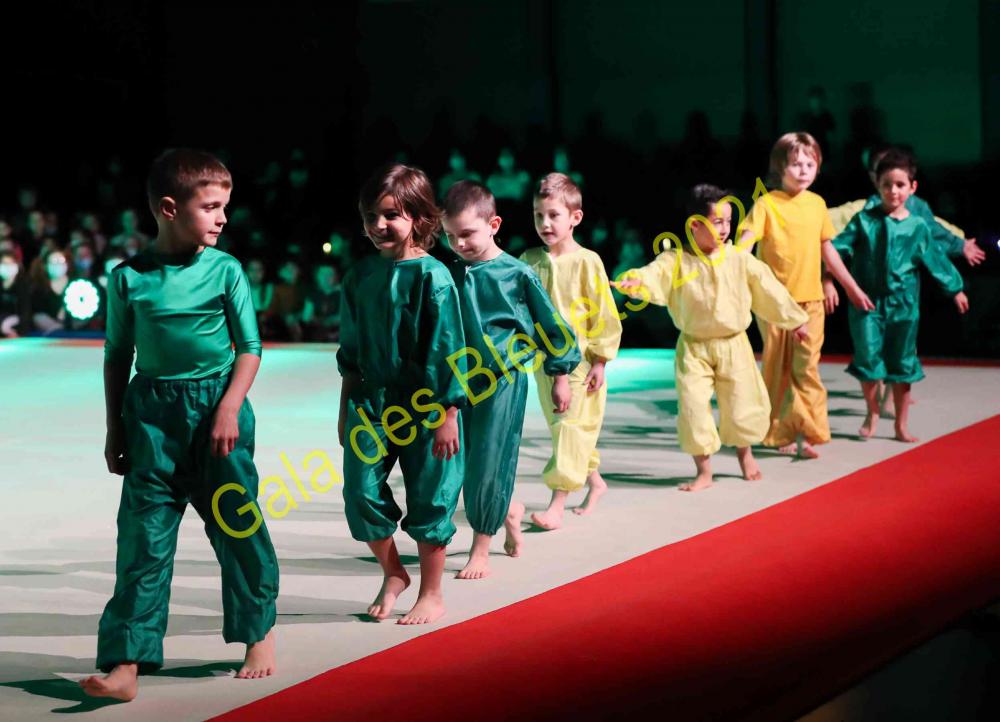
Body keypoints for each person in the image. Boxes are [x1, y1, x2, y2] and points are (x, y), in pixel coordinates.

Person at [80, 149, 279, 702]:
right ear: (169, 209)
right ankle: (125, 661)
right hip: (151, 418)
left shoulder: (225, 270)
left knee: (236, 523)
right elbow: (117, 355)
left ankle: (257, 633)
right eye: (211, 207)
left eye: (225, 207)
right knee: (142, 540)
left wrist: (229, 407)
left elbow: (250, 347)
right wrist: (115, 427)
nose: (222, 218)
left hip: (217, 411)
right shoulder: (128, 279)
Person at [338, 164, 467, 625]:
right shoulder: (359, 277)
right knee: (359, 492)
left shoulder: (434, 276)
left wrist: (448, 413)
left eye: (391, 215)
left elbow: (448, 349)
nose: (378, 225)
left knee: (431, 495)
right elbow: (351, 351)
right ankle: (394, 572)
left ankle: (432, 592)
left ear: (419, 217)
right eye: (370, 216)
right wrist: (345, 410)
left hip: (428, 405)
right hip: (370, 403)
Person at [615, 185, 809, 490]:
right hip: (694, 347)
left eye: (728, 221)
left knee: (742, 403)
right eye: (717, 221)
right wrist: (635, 280)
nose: (725, 228)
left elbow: (768, 289)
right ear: (695, 224)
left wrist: (795, 320)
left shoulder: (739, 259)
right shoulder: (676, 260)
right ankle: (704, 471)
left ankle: (745, 455)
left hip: (734, 344)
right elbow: (653, 275)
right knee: (693, 408)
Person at [442, 180, 579, 578]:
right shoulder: (449, 272)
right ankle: (509, 512)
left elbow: (552, 325)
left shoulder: (517, 274)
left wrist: (560, 374)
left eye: (467, 234)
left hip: (502, 381)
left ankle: (481, 547)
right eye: (450, 236)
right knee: (460, 465)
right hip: (456, 382)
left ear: (493, 225)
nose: (459, 244)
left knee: (490, 461)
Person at [821, 149, 969, 442]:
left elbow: (935, 259)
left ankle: (901, 424)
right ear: (877, 185)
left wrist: (955, 289)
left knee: (902, 363)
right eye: (887, 184)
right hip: (867, 303)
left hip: (904, 305)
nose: (893, 191)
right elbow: (835, 250)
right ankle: (872, 411)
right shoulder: (864, 220)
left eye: (900, 185)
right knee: (867, 358)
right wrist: (828, 280)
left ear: (912, 188)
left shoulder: (917, 226)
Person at [520, 173, 622, 529]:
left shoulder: (588, 261)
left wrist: (600, 361)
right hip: (543, 365)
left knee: (568, 428)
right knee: (564, 428)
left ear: (575, 217)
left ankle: (557, 505)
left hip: (579, 365)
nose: (545, 223)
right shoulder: (529, 260)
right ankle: (596, 482)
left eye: (553, 215)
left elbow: (604, 314)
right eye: (538, 215)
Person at [738, 132, 834, 459]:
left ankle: (808, 431)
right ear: (780, 167)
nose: (804, 170)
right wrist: (729, 270)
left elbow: (828, 250)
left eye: (810, 163)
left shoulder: (818, 204)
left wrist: (848, 286)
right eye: (796, 164)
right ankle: (780, 433)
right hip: (775, 305)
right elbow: (745, 244)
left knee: (806, 367)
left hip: (811, 301)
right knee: (777, 368)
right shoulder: (766, 204)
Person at [301, 263, 341, 342]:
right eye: (322, 274)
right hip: (318, 335)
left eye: (329, 274)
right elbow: (306, 317)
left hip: (339, 335)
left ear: (336, 277)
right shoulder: (312, 295)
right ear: (317, 277)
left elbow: (346, 318)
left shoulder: (343, 294)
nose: (326, 278)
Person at [0, 250, 29, 337]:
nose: (7, 267)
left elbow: (25, 311)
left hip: (17, 321)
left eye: (10, 263)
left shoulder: (23, 285)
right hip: (2, 320)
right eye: (4, 264)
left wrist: (20, 331)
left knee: (5, 326)